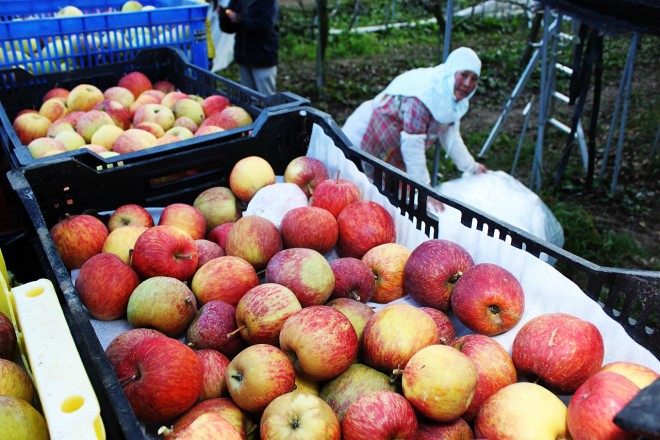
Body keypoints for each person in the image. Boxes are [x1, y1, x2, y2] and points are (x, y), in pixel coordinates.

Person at [342, 47, 487, 186]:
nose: (468, 83)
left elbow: (450, 135)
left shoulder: (451, 99)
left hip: (392, 147)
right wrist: (425, 189)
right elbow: (413, 146)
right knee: (355, 188)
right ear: (451, 71)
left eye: (474, 78)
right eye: (464, 75)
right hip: (365, 136)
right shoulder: (425, 95)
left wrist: (471, 167)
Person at [218, 0, 279, 95]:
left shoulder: (268, 2)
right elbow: (229, 29)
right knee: (248, 96)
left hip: (263, 56)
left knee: (266, 95)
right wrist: (223, 16)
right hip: (243, 56)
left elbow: (265, 26)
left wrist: (240, 19)